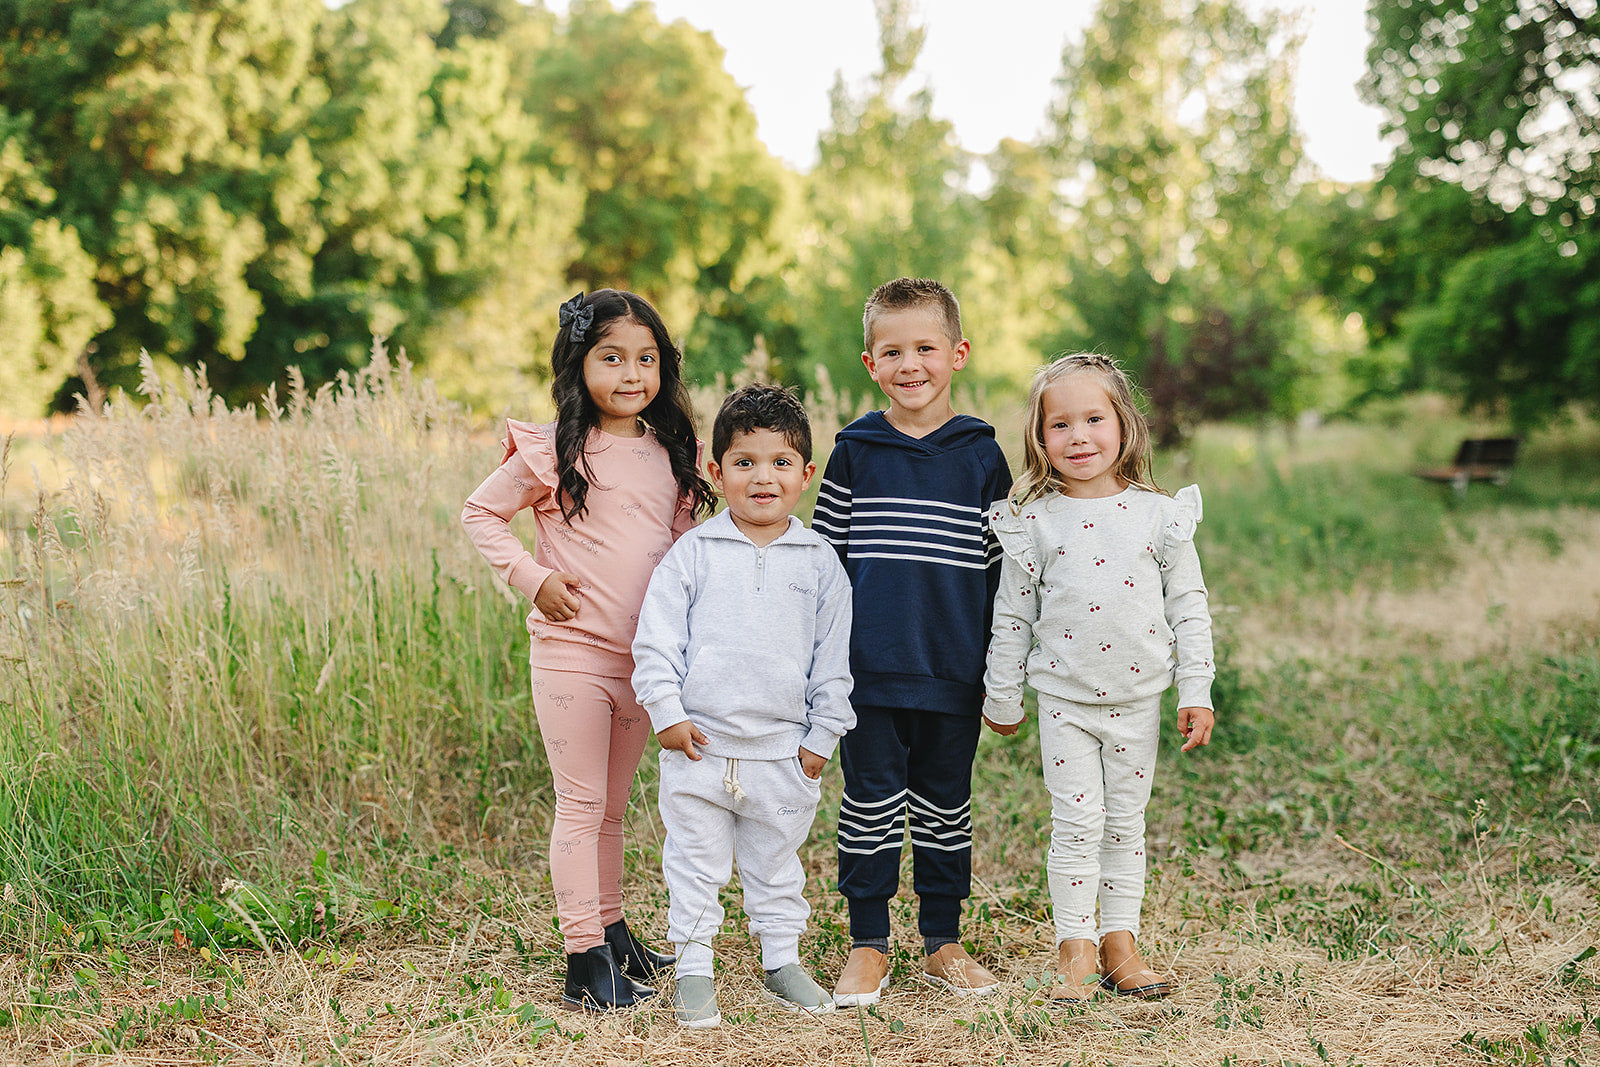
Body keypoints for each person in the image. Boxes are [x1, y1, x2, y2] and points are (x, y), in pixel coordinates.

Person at [461, 290, 716, 1012]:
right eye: (612, 357)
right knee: (580, 802)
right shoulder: (554, 450)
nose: (632, 373)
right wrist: (531, 576)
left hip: (644, 662)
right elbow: (479, 511)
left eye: (646, 358)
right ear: (580, 364)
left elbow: (679, 550)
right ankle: (583, 961)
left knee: (611, 808)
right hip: (573, 654)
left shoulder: (675, 453)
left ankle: (612, 930)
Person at [980, 352, 1216, 1003]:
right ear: (1039, 436)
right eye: (1060, 424)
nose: (1078, 436)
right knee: (1077, 820)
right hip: (1064, 700)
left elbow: (1188, 606)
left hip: (1139, 700)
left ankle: (1121, 941)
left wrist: (1196, 688)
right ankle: (1075, 948)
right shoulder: (1033, 520)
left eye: (1093, 419)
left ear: (1124, 425)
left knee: (1125, 823)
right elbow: (1012, 615)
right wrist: (1002, 694)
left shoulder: (1159, 515)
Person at [812, 277, 1014, 1005]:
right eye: (892, 351)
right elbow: (822, 569)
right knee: (868, 805)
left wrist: (1002, 674)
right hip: (866, 673)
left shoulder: (983, 459)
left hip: (954, 670)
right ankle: (868, 942)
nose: (911, 364)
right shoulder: (854, 454)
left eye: (925, 347)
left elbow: (1005, 581)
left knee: (944, 805)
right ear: (870, 364)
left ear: (956, 353)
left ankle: (942, 940)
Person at [631, 384, 855, 1027]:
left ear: (806, 474)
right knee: (694, 863)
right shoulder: (694, 555)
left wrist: (821, 741)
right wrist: (667, 714)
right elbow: (657, 642)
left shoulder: (819, 563)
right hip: (700, 747)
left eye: (781, 463)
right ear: (716, 469)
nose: (763, 478)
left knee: (776, 864)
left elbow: (833, 661)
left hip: (783, 754)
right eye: (745, 462)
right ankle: (695, 969)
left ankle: (781, 962)